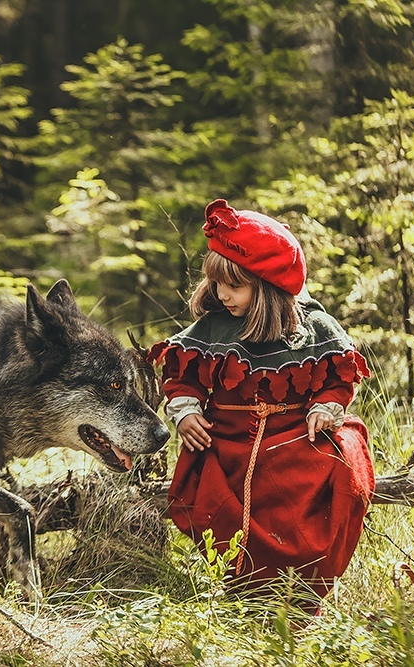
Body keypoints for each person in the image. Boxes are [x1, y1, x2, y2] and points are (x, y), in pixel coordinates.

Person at [148, 199, 375, 605]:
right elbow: (183, 377)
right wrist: (184, 412)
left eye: (234, 286)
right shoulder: (213, 326)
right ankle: (241, 592)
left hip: (293, 439)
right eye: (217, 284)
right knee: (220, 509)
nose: (222, 294)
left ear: (267, 286)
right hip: (227, 442)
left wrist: (326, 406)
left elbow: (339, 378)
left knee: (316, 491)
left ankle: (300, 593)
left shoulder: (313, 327)